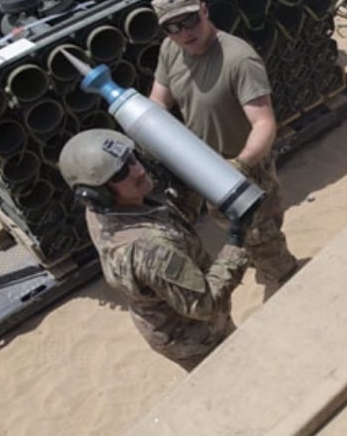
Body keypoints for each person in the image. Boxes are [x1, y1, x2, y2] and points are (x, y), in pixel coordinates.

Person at [147, 0, 299, 286]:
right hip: (205, 167)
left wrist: (241, 166)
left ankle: (288, 284)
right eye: (173, 27)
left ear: (204, 10)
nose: (184, 33)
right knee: (239, 236)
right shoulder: (171, 50)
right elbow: (158, 101)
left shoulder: (238, 60)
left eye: (190, 20)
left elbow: (264, 123)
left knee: (263, 240)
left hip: (245, 172)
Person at [58, 128, 248, 367]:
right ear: (99, 194)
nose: (137, 170)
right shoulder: (150, 249)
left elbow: (172, 224)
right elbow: (204, 305)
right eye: (120, 173)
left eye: (131, 158)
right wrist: (236, 243)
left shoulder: (110, 209)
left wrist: (186, 187)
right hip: (197, 338)